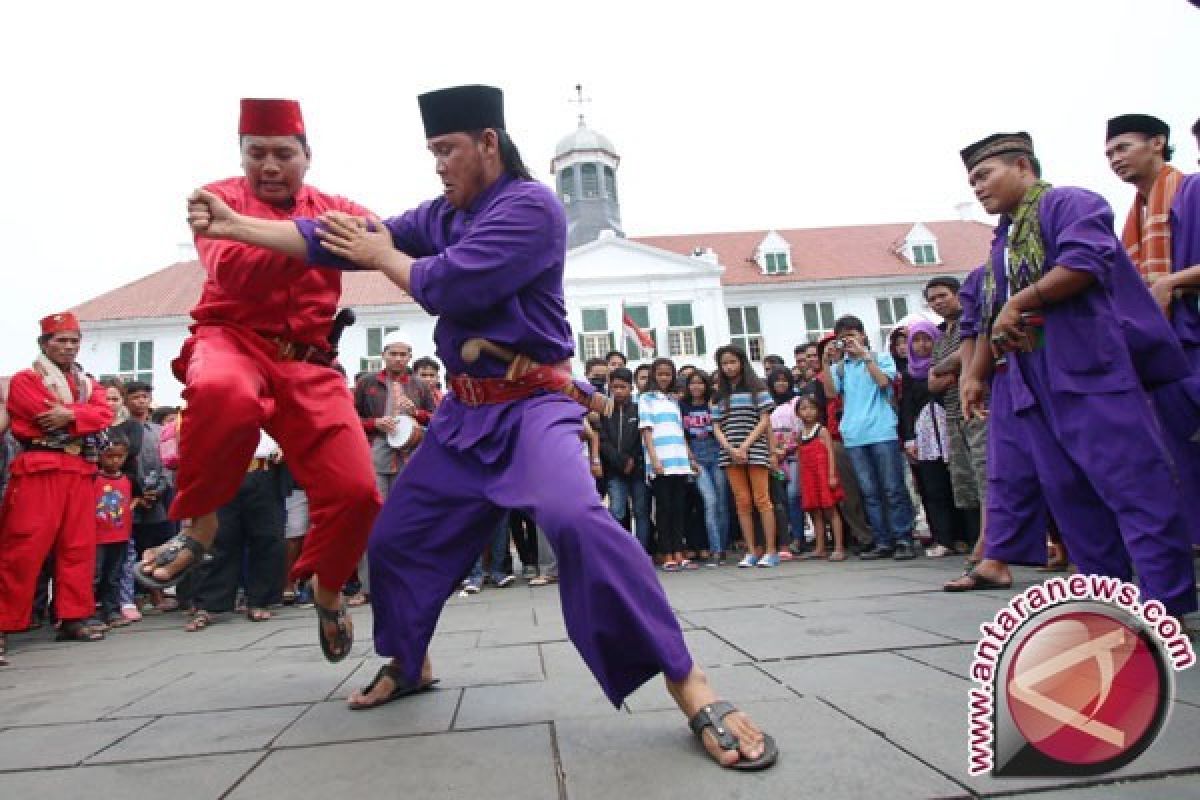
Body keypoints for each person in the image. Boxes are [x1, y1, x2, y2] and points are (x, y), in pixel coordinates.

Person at [185, 85, 775, 769]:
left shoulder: (531, 207)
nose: (437, 164)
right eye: (432, 152)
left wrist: (382, 256)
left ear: (487, 144)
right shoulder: (443, 213)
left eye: (446, 150)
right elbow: (337, 240)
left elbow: (449, 285)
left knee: (576, 520)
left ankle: (689, 682)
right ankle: (411, 662)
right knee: (399, 538)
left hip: (532, 408)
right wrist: (233, 225)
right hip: (465, 416)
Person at [151, 98, 382, 663]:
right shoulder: (218, 198)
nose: (270, 165)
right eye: (257, 153)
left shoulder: (336, 205)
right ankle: (199, 525)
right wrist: (319, 240)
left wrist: (270, 232)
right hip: (233, 340)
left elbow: (377, 239)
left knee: (358, 492)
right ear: (242, 156)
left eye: (284, 153)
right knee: (222, 392)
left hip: (309, 360)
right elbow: (230, 267)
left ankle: (328, 593)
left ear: (307, 156)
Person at [953, 131, 1196, 620]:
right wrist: (977, 372)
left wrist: (1021, 301)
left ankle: (1166, 604)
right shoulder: (1003, 240)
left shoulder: (1069, 202)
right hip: (1032, 376)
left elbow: (1083, 263)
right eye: (972, 181)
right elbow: (989, 313)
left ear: (1023, 166)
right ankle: (1108, 601)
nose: (977, 188)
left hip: (1090, 366)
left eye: (984, 175)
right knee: (1070, 496)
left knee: (1134, 485)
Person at [1105, 113, 1200, 547]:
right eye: (1108, 153)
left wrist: (1171, 282)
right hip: (1164, 348)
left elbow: (1164, 281)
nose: (1114, 159)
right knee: (1182, 454)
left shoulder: (1190, 191)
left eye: (1123, 147)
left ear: (1158, 142)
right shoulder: (1133, 217)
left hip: (1191, 332)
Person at [0, 312, 114, 665]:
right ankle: (4, 622)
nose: (68, 347)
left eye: (73, 341)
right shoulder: (24, 379)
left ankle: (73, 616)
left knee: (78, 547)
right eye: (60, 340)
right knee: (23, 547)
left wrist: (71, 416)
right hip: (41, 467)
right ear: (44, 344)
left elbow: (106, 415)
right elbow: (38, 413)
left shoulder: (87, 383)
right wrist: (83, 417)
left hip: (79, 470)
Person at [821, 316, 916, 560]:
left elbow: (884, 381)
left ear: (863, 335)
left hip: (882, 430)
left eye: (853, 334)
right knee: (869, 492)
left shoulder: (880, 358)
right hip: (854, 435)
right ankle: (882, 540)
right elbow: (831, 393)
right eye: (843, 336)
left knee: (893, 488)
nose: (848, 340)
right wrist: (826, 361)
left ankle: (903, 538)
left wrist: (864, 355)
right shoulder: (840, 367)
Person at [352, 328, 435, 604]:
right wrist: (374, 423)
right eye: (393, 354)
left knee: (408, 521)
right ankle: (370, 587)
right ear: (383, 355)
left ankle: (410, 582)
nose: (399, 359)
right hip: (375, 457)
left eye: (403, 354)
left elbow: (436, 421)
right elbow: (351, 419)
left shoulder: (420, 386)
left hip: (411, 458)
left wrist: (417, 412)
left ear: (410, 356)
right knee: (372, 520)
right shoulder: (366, 383)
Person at [186, 430, 287, 630]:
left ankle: (259, 600)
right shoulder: (214, 404)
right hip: (222, 473)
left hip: (263, 471)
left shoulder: (271, 403)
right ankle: (209, 604)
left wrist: (284, 446)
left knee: (267, 537)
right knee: (220, 538)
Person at [900, 321, 975, 557]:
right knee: (933, 488)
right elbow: (907, 407)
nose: (922, 345)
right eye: (917, 341)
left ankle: (968, 536)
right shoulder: (910, 374)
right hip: (926, 436)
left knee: (961, 483)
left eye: (927, 339)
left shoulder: (946, 365)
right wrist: (909, 438)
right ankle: (944, 538)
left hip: (950, 425)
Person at [925, 275, 986, 559]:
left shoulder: (971, 322)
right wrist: (949, 368)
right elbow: (932, 383)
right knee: (966, 482)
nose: (938, 302)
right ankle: (980, 541)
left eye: (943, 295)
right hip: (952, 413)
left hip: (979, 408)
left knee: (987, 476)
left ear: (958, 294)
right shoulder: (940, 338)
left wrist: (948, 366)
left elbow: (967, 356)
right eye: (932, 299)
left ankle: (989, 546)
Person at [712, 345, 778, 568]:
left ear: (742, 362)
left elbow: (765, 421)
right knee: (742, 502)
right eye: (724, 363)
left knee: (762, 500)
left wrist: (746, 446)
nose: (729, 367)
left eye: (732, 362)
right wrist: (731, 449)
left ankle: (770, 550)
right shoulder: (719, 394)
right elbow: (716, 427)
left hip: (756, 450)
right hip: (730, 453)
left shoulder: (757, 388)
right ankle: (751, 551)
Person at [640, 359, 698, 570]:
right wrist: (654, 460)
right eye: (660, 374)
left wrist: (691, 458)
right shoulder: (646, 398)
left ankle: (679, 552)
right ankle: (666, 553)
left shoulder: (674, 401)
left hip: (679, 461)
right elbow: (646, 430)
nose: (664, 378)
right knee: (663, 509)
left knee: (678, 508)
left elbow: (679, 431)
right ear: (654, 375)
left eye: (668, 374)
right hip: (660, 461)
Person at [679, 370, 729, 566]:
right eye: (693, 383)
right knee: (710, 501)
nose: (696, 387)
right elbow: (681, 433)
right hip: (697, 456)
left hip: (717, 454)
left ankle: (723, 548)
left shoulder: (714, 403)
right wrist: (689, 457)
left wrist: (712, 406)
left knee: (722, 503)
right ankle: (715, 549)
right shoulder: (682, 406)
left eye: (701, 383)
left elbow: (722, 428)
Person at [598, 367, 651, 548]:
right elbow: (602, 440)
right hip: (615, 470)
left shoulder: (639, 409)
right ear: (609, 387)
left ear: (631, 388)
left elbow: (642, 437)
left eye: (623, 387)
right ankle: (620, 552)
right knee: (617, 511)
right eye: (615, 387)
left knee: (641, 512)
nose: (619, 391)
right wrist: (620, 461)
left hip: (638, 470)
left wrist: (632, 460)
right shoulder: (605, 410)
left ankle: (642, 551)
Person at [92, 437, 138, 629]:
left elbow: (138, 497)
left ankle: (111, 611)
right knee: (94, 575)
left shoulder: (128, 479)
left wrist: (130, 508)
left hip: (120, 535)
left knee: (114, 575)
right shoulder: (93, 477)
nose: (115, 461)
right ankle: (89, 611)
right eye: (110, 456)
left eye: (120, 457)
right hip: (97, 536)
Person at [795, 395, 845, 561]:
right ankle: (820, 547)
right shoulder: (800, 434)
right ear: (798, 413)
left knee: (831, 510)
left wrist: (831, 475)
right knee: (815, 511)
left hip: (823, 473)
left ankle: (839, 547)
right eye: (803, 409)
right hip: (809, 476)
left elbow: (830, 452)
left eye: (811, 408)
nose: (808, 412)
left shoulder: (821, 430)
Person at [767, 366, 804, 557]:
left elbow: (801, 428)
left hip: (795, 455)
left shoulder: (797, 401)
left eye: (784, 380)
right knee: (779, 500)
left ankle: (798, 537)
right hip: (775, 458)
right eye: (777, 380)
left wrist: (787, 448)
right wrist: (775, 451)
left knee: (793, 495)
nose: (781, 384)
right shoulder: (767, 403)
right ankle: (785, 539)